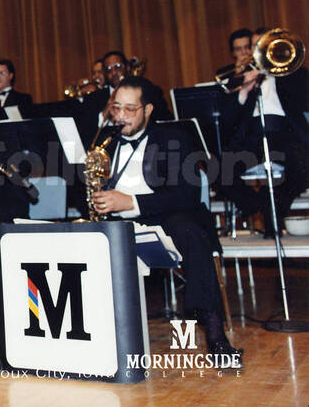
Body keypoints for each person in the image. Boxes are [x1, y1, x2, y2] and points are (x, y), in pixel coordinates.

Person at [92, 76, 241, 356]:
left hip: (165, 216)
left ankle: (215, 334)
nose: (120, 116)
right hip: (118, 223)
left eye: (129, 109)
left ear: (147, 110)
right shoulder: (106, 145)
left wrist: (130, 202)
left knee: (191, 232)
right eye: (116, 108)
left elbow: (185, 195)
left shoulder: (174, 139)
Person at [220, 28, 308, 237]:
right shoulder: (240, 77)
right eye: (256, 46)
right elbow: (227, 121)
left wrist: (278, 72)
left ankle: (272, 209)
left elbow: (303, 99)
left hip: (285, 135)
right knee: (219, 170)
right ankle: (261, 205)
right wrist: (244, 89)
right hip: (251, 138)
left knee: (303, 165)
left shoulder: (294, 74)